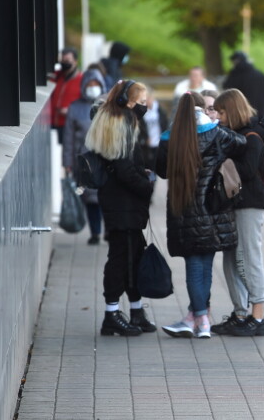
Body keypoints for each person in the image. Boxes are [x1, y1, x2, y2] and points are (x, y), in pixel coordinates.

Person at [156, 92, 246, 339]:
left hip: (183, 213)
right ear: (201, 110)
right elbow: (240, 142)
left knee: (194, 267)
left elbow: (161, 170)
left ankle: (201, 319)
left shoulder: (170, 138)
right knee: (204, 267)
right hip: (213, 212)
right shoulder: (215, 134)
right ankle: (200, 318)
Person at [85, 79, 156, 336]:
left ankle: (135, 311)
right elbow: (124, 169)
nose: (145, 106)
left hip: (119, 202)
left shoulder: (114, 119)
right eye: (141, 101)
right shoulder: (122, 124)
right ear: (127, 100)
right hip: (123, 204)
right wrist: (146, 186)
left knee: (133, 255)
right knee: (121, 259)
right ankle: (112, 314)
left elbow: (121, 164)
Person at [211, 89, 264, 336]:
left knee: (248, 257)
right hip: (232, 203)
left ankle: (258, 317)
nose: (218, 115)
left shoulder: (252, 136)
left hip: (250, 203)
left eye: (221, 111)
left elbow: (246, 170)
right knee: (230, 259)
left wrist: (220, 156)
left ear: (232, 110)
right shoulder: (232, 134)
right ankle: (240, 314)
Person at [62, 66, 107, 245]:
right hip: (84, 161)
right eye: (90, 84)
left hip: (105, 158)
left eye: (96, 84)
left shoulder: (107, 106)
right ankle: (95, 231)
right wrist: (67, 163)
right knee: (90, 199)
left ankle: (109, 230)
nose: (93, 87)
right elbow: (69, 138)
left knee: (106, 197)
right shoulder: (75, 108)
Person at [223, 51, 264, 121]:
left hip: (241, 115)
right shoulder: (259, 75)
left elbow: (226, 91)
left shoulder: (234, 76)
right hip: (260, 114)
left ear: (235, 62)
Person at [49, 47, 83, 144]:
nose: (64, 63)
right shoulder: (56, 76)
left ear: (75, 62)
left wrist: (71, 111)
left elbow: (86, 104)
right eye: (62, 61)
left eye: (67, 61)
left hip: (69, 126)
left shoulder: (82, 80)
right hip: (51, 123)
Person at [140, 87, 169, 178]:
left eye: (148, 98)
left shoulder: (160, 110)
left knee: (157, 167)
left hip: (158, 144)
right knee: (148, 168)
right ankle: (150, 184)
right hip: (146, 146)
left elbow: (165, 125)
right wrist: (144, 139)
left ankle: (153, 183)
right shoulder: (141, 112)